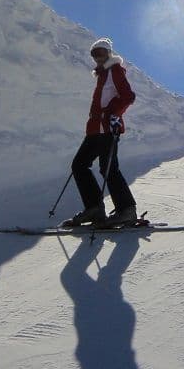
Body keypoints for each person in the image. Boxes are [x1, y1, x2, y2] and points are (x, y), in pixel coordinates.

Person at [62, 38, 138, 227]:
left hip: (108, 127)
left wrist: (114, 114)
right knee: (79, 165)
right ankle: (94, 209)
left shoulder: (115, 70)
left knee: (108, 168)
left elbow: (128, 96)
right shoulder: (102, 74)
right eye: (94, 54)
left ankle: (127, 210)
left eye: (101, 53)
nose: (97, 57)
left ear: (109, 53)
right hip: (95, 129)